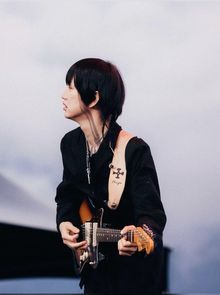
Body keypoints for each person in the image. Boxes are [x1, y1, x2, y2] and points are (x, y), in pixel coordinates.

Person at [55, 58, 166, 295]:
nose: (63, 95)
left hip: (134, 278)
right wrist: (64, 222)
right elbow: (68, 195)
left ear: (93, 98)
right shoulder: (70, 144)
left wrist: (139, 236)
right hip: (96, 272)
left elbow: (152, 216)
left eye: (71, 87)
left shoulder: (134, 150)